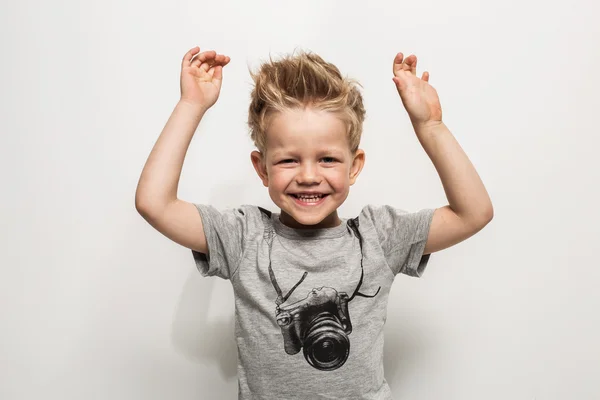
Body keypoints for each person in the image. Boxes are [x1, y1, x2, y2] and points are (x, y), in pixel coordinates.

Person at [135, 45, 493, 399]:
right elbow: (156, 204)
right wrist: (190, 105)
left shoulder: (378, 237)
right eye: (289, 160)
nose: (308, 176)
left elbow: (473, 213)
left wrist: (430, 125)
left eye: (327, 159)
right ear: (262, 168)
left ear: (354, 166)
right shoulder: (245, 237)